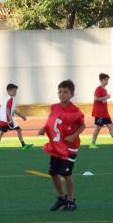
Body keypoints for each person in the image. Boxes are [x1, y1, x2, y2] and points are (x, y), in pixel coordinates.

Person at [38, 79, 86, 211]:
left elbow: (83, 125)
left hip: (69, 148)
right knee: (53, 172)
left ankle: (71, 201)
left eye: (65, 92)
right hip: (56, 146)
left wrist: (73, 136)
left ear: (72, 94)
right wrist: (44, 128)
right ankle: (61, 198)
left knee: (66, 173)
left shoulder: (75, 111)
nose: (62, 94)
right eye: (60, 91)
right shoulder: (54, 107)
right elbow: (52, 122)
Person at [89, 73, 113, 149]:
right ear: (102, 80)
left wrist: (106, 97)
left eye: (107, 80)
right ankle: (92, 143)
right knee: (98, 128)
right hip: (99, 113)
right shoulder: (98, 89)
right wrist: (106, 97)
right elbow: (96, 99)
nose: (107, 81)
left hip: (105, 113)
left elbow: (103, 100)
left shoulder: (104, 89)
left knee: (111, 126)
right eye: (106, 80)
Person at [0, 83, 32, 152]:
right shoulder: (10, 99)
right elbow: (8, 109)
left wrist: (20, 115)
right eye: (14, 91)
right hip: (7, 119)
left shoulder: (6, 98)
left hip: (4, 119)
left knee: (1, 132)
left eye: (16, 91)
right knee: (18, 130)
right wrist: (10, 119)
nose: (15, 92)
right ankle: (23, 146)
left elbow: (11, 109)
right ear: (9, 91)